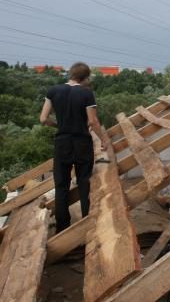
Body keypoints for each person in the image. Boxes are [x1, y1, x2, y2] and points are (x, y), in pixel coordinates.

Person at [40, 62, 109, 233]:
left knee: (61, 186)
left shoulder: (53, 91)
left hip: (62, 143)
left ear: (71, 74)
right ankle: (87, 225)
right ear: (85, 77)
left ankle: (63, 228)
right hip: (82, 143)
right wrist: (103, 140)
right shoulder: (86, 93)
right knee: (85, 184)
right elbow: (92, 121)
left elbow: (43, 119)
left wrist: (59, 126)